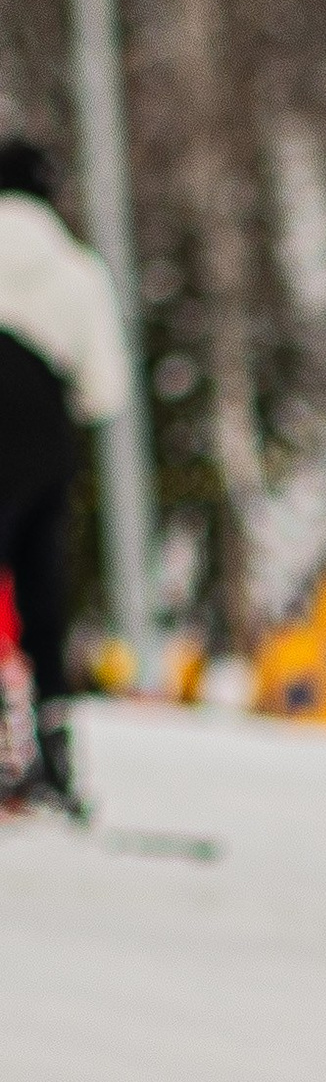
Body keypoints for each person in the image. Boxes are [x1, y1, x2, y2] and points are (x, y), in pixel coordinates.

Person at [0, 136, 132, 819]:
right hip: (46, 439)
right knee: (41, 602)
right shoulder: (78, 272)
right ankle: (52, 760)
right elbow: (104, 391)